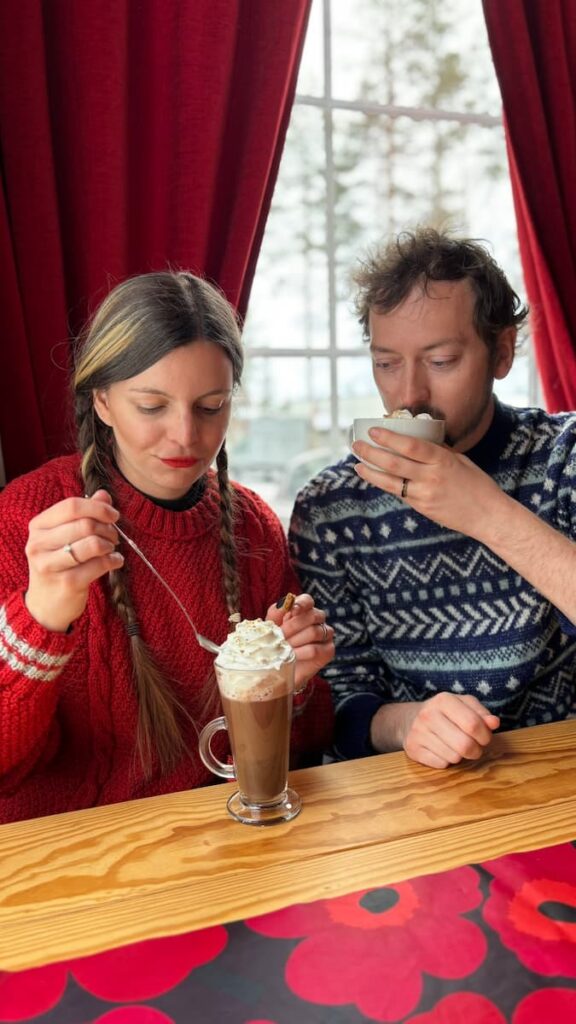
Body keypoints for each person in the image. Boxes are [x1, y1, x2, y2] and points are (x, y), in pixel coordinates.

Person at [0, 271, 334, 823]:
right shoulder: (28, 516)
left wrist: (288, 683)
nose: (184, 435)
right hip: (69, 848)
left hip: (217, 835)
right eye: (152, 406)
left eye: (210, 406)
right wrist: (41, 618)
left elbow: (308, 744)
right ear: (102, 400)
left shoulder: (252, 526)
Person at [289, 228, 576, 771]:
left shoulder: (564, 457)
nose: (409, 394)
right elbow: (336, 705)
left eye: (441, 360)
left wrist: (487, 513)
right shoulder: (332, 508)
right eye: (386, 363)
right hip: (414, 788)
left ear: (502, 351)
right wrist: (409, 724)